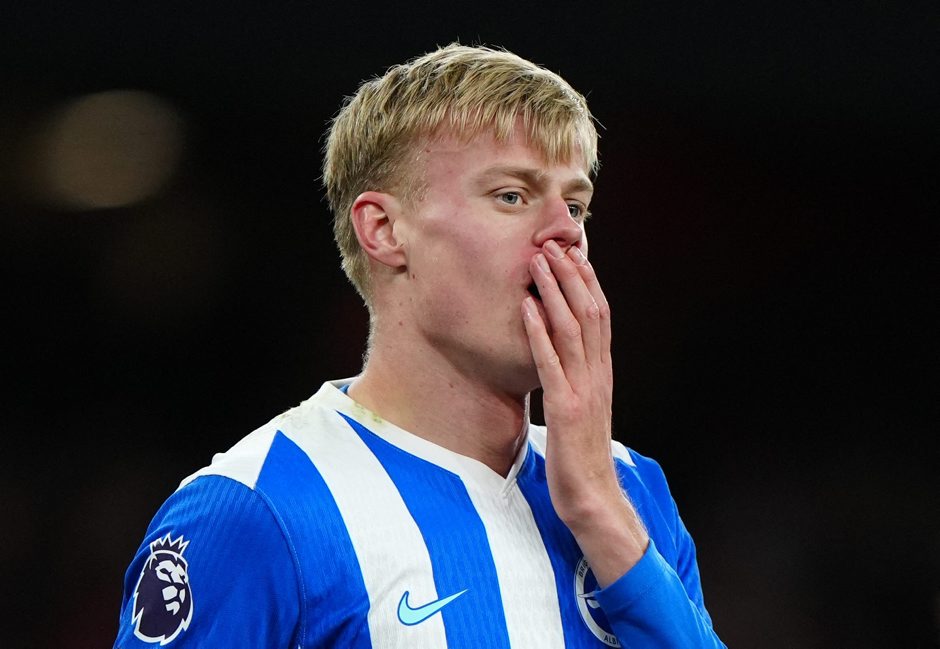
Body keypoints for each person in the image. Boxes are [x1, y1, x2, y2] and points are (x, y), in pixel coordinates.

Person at [113, 43, 726, 648]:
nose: (565, 232)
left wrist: (597, 509)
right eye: (511, 196)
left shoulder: (629, 491)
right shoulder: (257, 508)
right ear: (384, 230)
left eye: (575, 205)